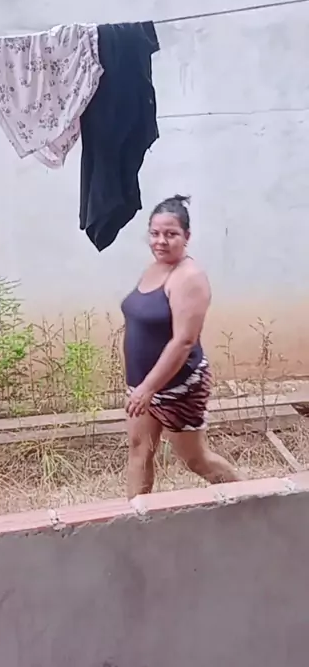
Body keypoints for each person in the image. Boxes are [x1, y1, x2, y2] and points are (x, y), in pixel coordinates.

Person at [122, 194, 239, 499]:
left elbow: (184, 340)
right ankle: (137, 519)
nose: (161, 241)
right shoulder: (154, 269)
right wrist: (142, 387)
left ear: (187, 236)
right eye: (155, 233)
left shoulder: (189, 277)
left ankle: (252, 500)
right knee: (139, 450)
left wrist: (148, 388)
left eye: (171, 234)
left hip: (178, 384)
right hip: (142, 385)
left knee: (195, 459)